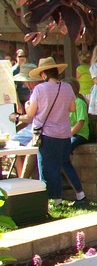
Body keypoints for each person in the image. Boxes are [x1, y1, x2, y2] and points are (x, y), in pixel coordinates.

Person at [16, 57, 86, 205]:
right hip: (65, 133)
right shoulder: (67, 88)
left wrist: (20, 114)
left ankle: (54, 199)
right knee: (65, 164)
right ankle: (80, 194)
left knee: (47, 167)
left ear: (43, 74)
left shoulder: (39, 89)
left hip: (47, 134)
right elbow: (72, 108)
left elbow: (30, 115)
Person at [67, 77, 91, 153]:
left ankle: (65, 163)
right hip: (68, 134)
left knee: (66, 147)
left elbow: (81, 122)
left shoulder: (79, 103)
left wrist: (70, 134)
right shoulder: (66, 102)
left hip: (79, 134)